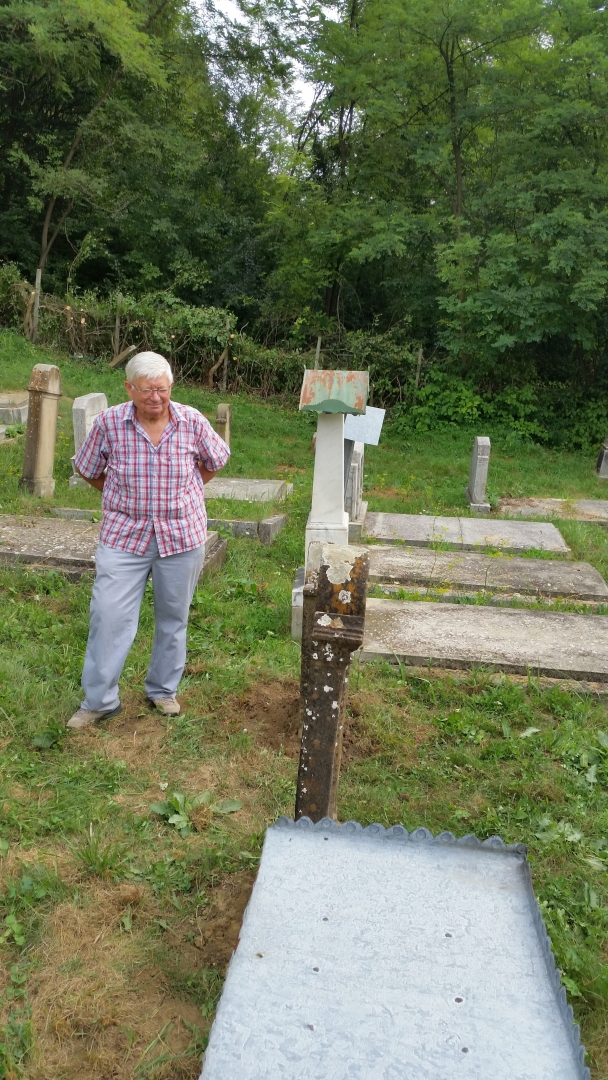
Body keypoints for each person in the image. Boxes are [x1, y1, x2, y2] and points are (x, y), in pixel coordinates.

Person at [67, 351, 229, 730]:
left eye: (162, 389)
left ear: (171, 386)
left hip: (182, 535)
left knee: (173, 617)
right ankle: (99, 701)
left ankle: (162, 690)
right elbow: (87, 468)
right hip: (124, 536)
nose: (155, 397)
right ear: (129, 388)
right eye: (146, 390)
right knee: (108, 615)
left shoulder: (191, 421)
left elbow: (215, 460)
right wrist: (118, 495)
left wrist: (187, 491)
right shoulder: (110, 423)